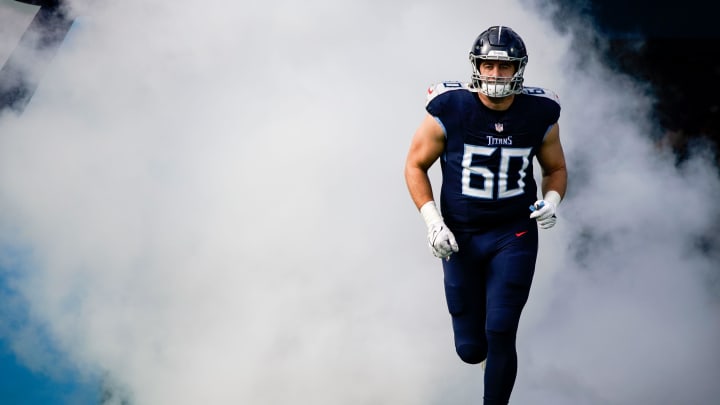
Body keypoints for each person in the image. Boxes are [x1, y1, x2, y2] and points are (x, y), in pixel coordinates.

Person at [404, 25, 567, 404]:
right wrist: (433, 221)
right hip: (459, 235)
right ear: (476, 65)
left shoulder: (540, 112)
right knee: (471, 348)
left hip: (514, 233)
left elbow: (555, 169)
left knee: (501, 329)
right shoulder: (450, 108)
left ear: (519, 70)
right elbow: (415, 165)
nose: (495, 74)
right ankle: (478, 353)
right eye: (489, 64)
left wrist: (553, 199)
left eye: (504, 67)